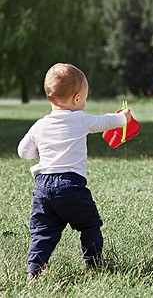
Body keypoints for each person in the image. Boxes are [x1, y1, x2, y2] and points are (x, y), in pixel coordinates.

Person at [17, 63, 132, 279]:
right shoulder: (79, 119)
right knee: (89, 224)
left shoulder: (40, 125)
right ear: (77, 99)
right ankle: (94, 263)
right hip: (70, 186)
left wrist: (44, 150)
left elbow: (23, 152)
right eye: (85, 99)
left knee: (42, 233)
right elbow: (103, 122)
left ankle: (33, 270)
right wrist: (123, 117)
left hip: (42, 188)